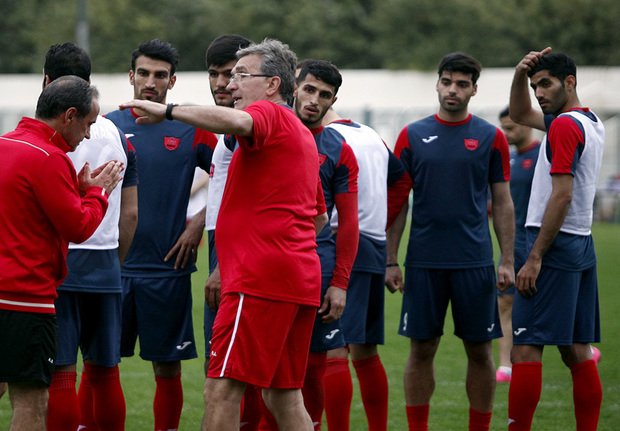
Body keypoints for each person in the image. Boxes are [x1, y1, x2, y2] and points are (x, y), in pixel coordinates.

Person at [118, 38, 328, 431]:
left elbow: (240, 121)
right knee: (283, 395)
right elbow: (318, 219)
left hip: (260, 280)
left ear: (272, 85)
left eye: (241, 76)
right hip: (296, 278)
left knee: (222, 389)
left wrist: (169, 111)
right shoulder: (299, 133)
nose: (231, 85)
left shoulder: (270, 114)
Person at [385, 52, 515, 431]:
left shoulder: (491, 137)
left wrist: (507, 259)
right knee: (421, 349)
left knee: (480, 351)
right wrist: (391, 259)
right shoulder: (411, 135)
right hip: (423, 262)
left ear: (474, 89)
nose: (452, 90)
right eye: (447, 81)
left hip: (474, 261)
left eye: (461, 84)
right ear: (438, 83)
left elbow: (503, 202)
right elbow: (399, 204)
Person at [105, 39, 217, 431]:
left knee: (167, 368)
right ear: (131, 76)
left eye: (159, 75)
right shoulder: (105, 127)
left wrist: (198, 221)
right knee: (100, 364)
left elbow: (233, 181)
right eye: (144, 73)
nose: (150, 82)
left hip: (168, 269)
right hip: (112, 270)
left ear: (172, 82)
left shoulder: (192, 128)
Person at [0, 75, 123, 431]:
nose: (87, 135)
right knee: (32, 402)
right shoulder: (50, 158)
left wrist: (77, 189)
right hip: (26, 298)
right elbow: (79, 227)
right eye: (87, 124)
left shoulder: (6, 143)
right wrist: (97, 193)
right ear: (69, 115)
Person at [40, 42, 138, 431]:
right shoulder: (115, 131)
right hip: (105, 261)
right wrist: (115, 264)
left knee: (62, 374)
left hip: (60, 263)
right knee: (105, 373)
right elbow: (130, 213)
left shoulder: (44, 134)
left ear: (47, 82)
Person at [507, 48, 604, 431]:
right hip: (581, 242)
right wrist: (519, 75)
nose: (538, 93)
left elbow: (561, 194)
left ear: (570, 82)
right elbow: (518, 114)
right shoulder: (588, 121)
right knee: (576, 349)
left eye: (545, 84)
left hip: (555, 243)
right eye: (534, 86)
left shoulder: (564, 126)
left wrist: (534, 258)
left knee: (526, 347)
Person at [285, 60, 359, 431]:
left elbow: (348, 223)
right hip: (268, 266)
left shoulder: (338, 149)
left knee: (315, 364)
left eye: (324, 95)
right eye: (309, 89)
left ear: (333, 101)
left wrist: (340, 282)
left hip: (317, 267)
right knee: (267, 367)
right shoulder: (264, 131)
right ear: (293, 86)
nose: (315, 100)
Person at [322, 112, 405, 431]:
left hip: (339, 243)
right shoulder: (371, 135)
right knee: (364, 349)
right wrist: (379, 224)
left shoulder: (328, 139)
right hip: (372, 248)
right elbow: (402, 181)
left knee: (334, 347)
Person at [201, 34, 265, 430]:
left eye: (233, 74)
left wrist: (223, 265)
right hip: (226, 248)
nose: (223, 83)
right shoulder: (231, 131)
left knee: (228, 376)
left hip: (240, 259)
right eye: (215, 74)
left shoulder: (251, 128)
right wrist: (198, 225)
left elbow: (254, 206)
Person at [494, 106, 540, 384]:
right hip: (512, 243)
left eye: (511, 127)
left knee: (547, 302)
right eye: (504, 128)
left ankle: (581, 346)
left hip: (537, 244)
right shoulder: (508, 160)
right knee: (505, 302)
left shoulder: (542, 157)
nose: (507, 133)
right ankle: (505, 365)